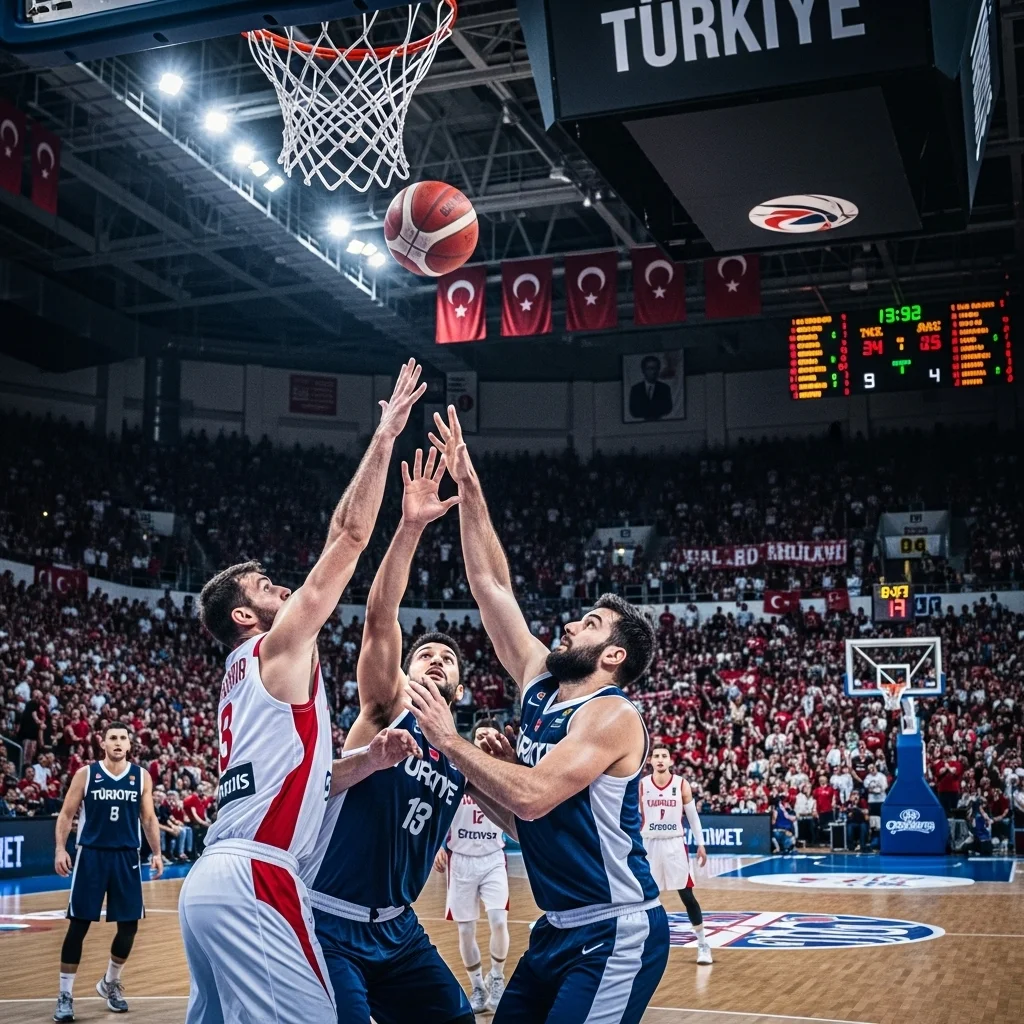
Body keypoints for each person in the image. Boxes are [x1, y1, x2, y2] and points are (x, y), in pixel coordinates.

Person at [177, 360, 427, 1024]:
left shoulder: (242, 683)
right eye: (263, 588)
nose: (280, 588)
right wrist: (385, 435)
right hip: (258, 876)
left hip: (209, 884)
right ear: (244, 616)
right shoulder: (276, 647)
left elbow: (305, 780)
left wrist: (366, 763)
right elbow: (347, 538)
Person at [408, 406, 668, 1024]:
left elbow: (531, 799)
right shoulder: (540, 684)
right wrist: (469, 487)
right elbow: (490, 585)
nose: (572, 623)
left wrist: (451, 742)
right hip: (556, 930)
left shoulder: (611, 717)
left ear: (611, 655)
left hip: (613, 929)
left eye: (591, 624)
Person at [301, 445, 475, 1024]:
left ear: (460, 687)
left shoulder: (459, 750)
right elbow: (381, 615)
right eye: (424, 652)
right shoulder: (385, 706)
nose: (434, 661)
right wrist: (409, 527)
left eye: (447, 661)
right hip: (331, 915)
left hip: (399, 927)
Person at [52, 721, 163, 1022]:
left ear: (129, 745)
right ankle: (65, 994)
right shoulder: (86, 774)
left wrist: (156, 852)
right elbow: (65, 814)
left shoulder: (141, 777)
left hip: (126, 857)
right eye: (112, 738)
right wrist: (61, 849)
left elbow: (149, 818)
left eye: (122, 738)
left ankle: (109, 983)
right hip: (91, 856)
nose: (117, 742)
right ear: (102, 743)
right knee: (79, 926)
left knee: (129, 927)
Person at [434, 721, 511, 1013]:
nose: (483, 739)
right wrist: (437, 847)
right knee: (465, 930)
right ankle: (477, 985)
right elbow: (438, 809)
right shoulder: (457, 772)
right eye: (478, 736)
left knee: (499, 921)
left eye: (489, 735)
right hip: (461, 861)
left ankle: (498, 978)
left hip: (493, 858)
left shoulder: (505, 773)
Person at [638, 745, 712, 964]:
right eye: (657, 756)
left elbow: (693, 817)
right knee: (644, 898)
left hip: (674, 844)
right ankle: (643, 946)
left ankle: (702, 944)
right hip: (649, 844)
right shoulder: (641, 785)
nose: (660, 760)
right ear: (650, 761)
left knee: (687, 896)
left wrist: (701, 844)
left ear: (670, 761)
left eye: (664, 756)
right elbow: (630, 816)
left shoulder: (681, 784)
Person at [628, 355, 673, 421]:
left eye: (656, 368)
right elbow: (633, 410)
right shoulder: (635, 389)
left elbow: (667, 408)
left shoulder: (665, 389)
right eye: (650, 368)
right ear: (643, 370)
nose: (654, 372)